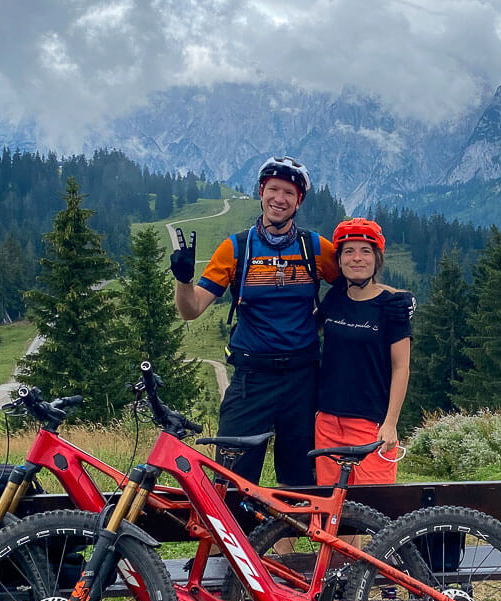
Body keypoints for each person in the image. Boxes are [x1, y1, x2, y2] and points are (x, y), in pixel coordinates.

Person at [170, 156, 339, 485]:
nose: (279, 198)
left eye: (289, 193)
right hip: (251, 379)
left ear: (298, 201)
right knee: (230, 477)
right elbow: (191, 310)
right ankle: (236, 537)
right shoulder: (237, 248)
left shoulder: (314, 247)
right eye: (273, 189)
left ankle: (280, 538)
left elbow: (352, 285)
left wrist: (320, 321)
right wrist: (183, 279)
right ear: (261, 193)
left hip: (302, 378)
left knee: (298, 479)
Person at [314, 217, 415, 487]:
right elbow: (308, 330)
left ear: (377, 259)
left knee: (372, 510)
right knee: (330, 510)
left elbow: (401, 367)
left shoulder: (392, 307)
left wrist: (391, 423)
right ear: (340, 260)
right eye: (349, 251)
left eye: (365, 251)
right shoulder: (334, 299)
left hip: (371, 423)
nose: (357, 258)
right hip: (328, 422)